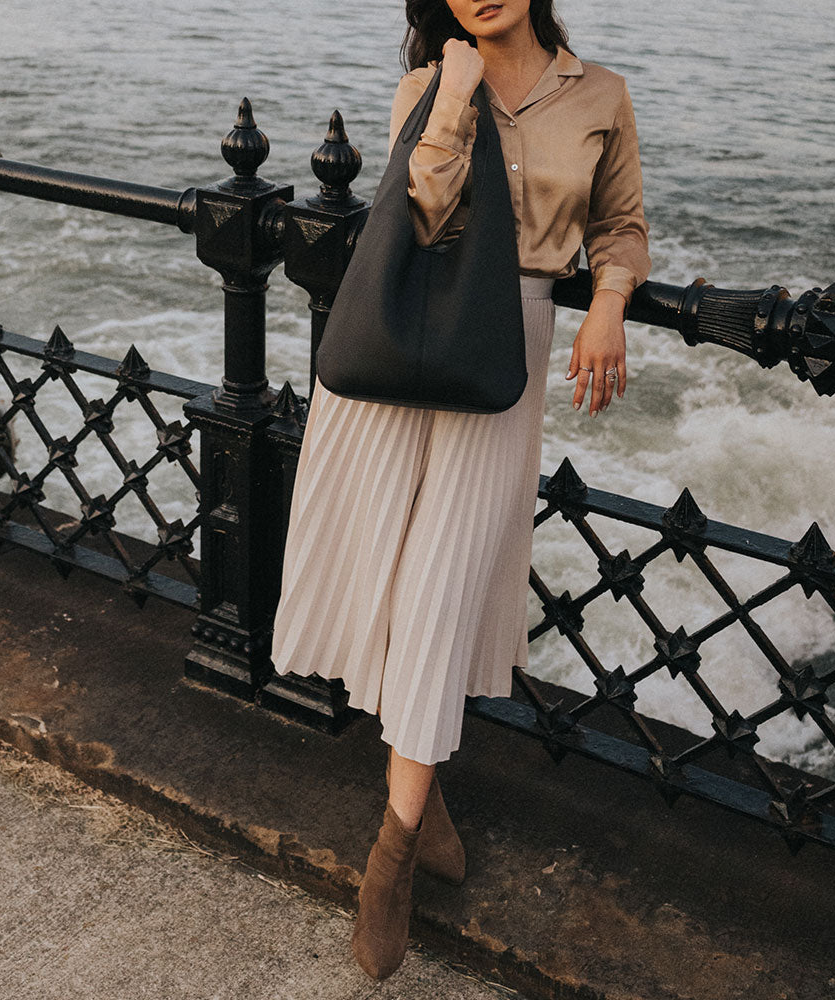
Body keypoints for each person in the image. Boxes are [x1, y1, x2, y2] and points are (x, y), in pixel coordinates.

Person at [271, 0, 651, 980]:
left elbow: (619, 227)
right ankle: (422, 793)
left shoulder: (599, 93)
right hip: (395, 363)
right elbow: (425, 207)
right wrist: (454, 91)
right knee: (389, 590)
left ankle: (388, 858)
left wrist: (604, 307)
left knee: (440, 596)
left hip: (502, 359)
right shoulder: (429, 83)